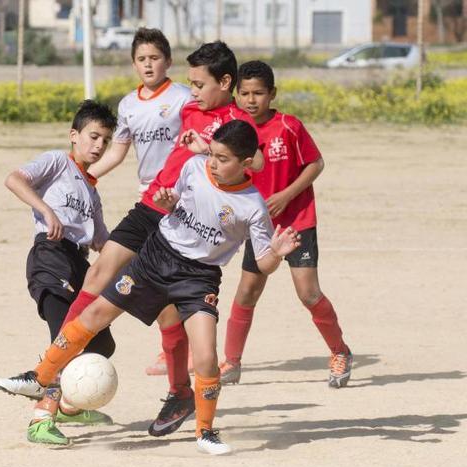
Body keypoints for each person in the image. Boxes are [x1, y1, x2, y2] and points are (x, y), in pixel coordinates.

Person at [0, 120, 300, 455]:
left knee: (207, 357)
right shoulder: (194, 166)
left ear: (245, 165)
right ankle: (39, 377)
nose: (213, 162)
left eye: (222, 159)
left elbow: (263, 263)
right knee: (95, 313)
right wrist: (169, 204)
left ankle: (205, 432)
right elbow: (178, 209)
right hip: (156, 258)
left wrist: (279, 254)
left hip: (198, 278)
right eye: (212, 154)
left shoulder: (253, 205)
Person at [78, 41, 260, 437]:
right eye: (190, 83)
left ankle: (179, 392)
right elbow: (142, 131)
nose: (192, 90)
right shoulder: (188, 107)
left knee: (168, 313)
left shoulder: (236, 122)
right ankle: (52, 370)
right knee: (98, 275)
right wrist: (87, 170)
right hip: (152, 204)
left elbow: (256, 161)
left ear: (224, 82)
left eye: (199, 83)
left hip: (181, 219)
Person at [220, 60, 353, 388]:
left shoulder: (289, 126)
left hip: (297, 222)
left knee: (308, 293)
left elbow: (316, 163)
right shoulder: (237, 131)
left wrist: (286, 194)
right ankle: (232, 362)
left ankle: (340, 351)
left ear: (272, 94)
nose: (252, 100)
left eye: (259, 93)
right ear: (237, 94)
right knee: (247, 290)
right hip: (260, 226)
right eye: (245, 93)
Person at [2, 99, 118, 445]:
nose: (98, 146)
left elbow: (100, 239)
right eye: (93, 137)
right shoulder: (56, 162)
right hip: (50, 256)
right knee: (64, 340)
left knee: (102, 342)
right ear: (74, 135)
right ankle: (40, 420)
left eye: (105, 141)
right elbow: (14, 179)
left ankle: (70, 404)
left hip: (79, 264)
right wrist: (46, 211)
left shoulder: (91, 188)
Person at [85, 27, 192, 377]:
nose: (148, 65)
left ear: (168, 61)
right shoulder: (128, 105)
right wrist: (85, 175)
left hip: (180, 200)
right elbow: (117, 151)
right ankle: (70, 341)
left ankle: (175, 354)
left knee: (163, 279)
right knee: (114, 271)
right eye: (141, 59)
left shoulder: (182, 98)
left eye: (154, 58)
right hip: (147, 200)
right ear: (133, 64)